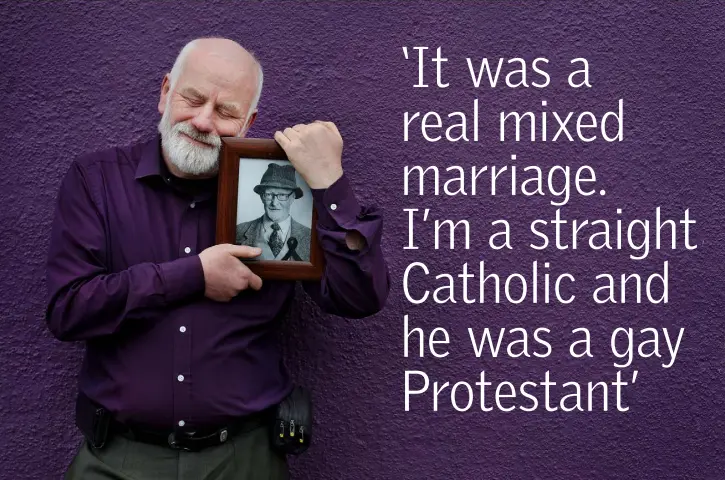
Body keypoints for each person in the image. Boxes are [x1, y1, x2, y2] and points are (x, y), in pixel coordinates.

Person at [45, 37, 389, 480]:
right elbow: (67, 310)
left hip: (244, 461)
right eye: (192, 99)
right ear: (166, 91)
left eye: (226, 111)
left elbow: (358, 298)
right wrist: (193, 275)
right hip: (118, 460)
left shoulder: (285, 190)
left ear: (249, 122)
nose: (203, 121)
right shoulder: (97, 182)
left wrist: (331, 185)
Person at [236, 163, 312, 261]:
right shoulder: (238, 231)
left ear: (293, 197)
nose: (274, 203)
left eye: (282, 195)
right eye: (269, 195)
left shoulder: (310, 236)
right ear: (261, 197)